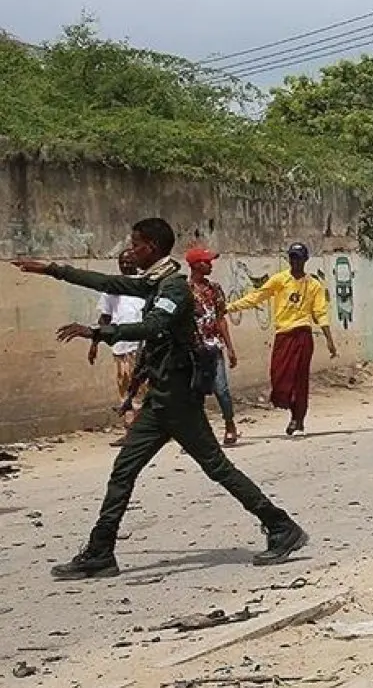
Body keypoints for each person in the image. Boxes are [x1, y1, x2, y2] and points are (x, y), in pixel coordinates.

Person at [12, 218, 307, 580]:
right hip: (161, 398)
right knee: (124, 469)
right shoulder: (155, 282)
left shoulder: (174, 290)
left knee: (217, 467)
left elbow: (152, 328)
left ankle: (280, 526)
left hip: (179, 399)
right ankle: (101, 552)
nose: (130, 249)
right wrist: (55, 270)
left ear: (150, 246)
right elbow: (108, 283)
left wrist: (97, 332)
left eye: (135, 243)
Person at [227, 243, 337, 436]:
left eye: (299, 258)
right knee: (279, 375)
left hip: (302, 334)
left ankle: (298, 418)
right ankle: (287, 404)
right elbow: (257, 297)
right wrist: (230, 307)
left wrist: (329, 340)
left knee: (300, 378)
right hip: (283, 335)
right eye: (292, 258)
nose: (295, 262)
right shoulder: (280, 280)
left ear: (305, 260)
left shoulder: (313, 285)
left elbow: (320, 313)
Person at [89, 250, 146, 446]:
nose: (126, 264)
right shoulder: (112, 289)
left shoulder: (144, 284)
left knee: (142, 390)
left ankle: (143, 431)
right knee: (125, 390)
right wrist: (94, 343)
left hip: (141, 346)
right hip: (120, 347)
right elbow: (105, 318)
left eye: (130, 261)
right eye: (122, 262)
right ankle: (130, 430)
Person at [186, 247, 239, 447]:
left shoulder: (214, 289)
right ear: (196, 265)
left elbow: (220, 319)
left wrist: (230, 347)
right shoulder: (184, 290)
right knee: (194, 393)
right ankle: (198, 434)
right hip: (193, 349)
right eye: (206, 262)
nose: (210, 265)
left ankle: (229, 424)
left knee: (221, 389)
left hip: (214, 347)